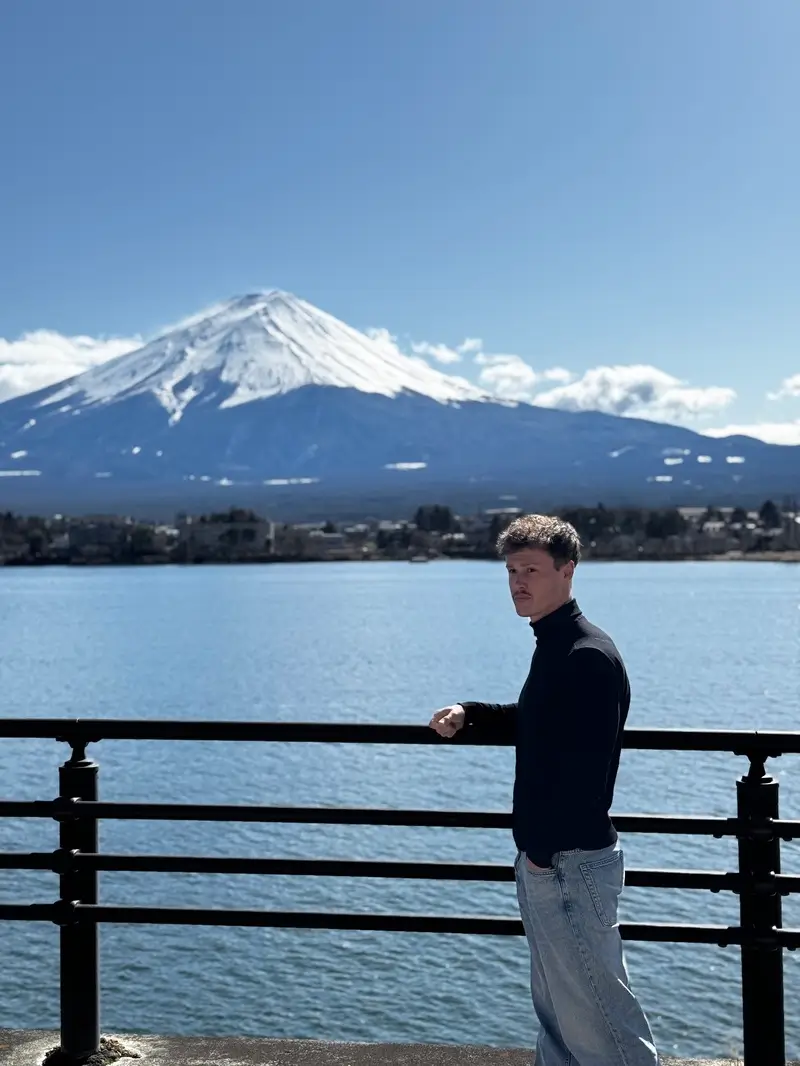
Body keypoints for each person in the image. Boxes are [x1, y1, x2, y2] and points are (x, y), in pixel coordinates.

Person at [429, 513, 659, 1066]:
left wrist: (541, 854)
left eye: (530, 569)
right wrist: (471, 713)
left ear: (568, 570)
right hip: (555, 861)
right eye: (511, 571)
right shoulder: (558, 644)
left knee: (602, 1022)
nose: (518, 582)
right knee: (561, 1019)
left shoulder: (587, 656)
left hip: (566, 862)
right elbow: (540, 720)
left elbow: (586, 777)